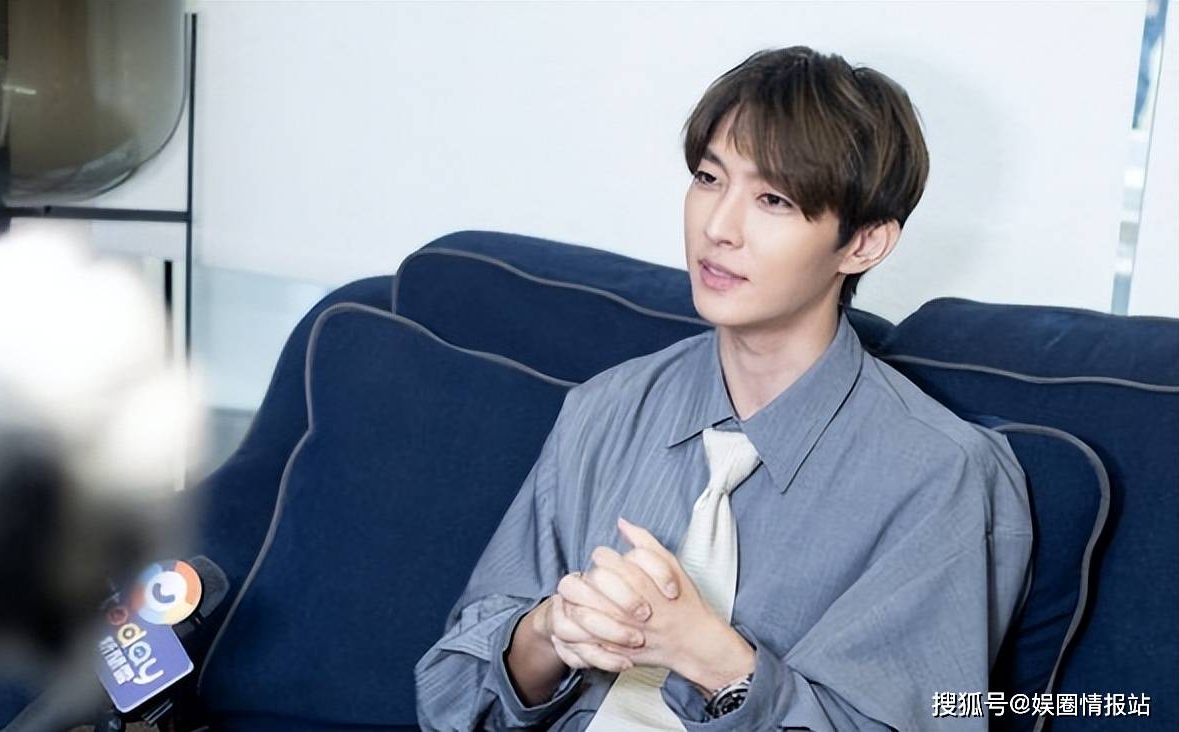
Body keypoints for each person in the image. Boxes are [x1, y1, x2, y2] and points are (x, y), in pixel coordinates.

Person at [415, 46, 1033, 731]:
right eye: (709, 179)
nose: (717, 228)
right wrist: (548, 632)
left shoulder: (939, 477)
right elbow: (450, 697)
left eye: (773, 199)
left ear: (863, 243)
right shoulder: (607, 408)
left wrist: (713, 660)